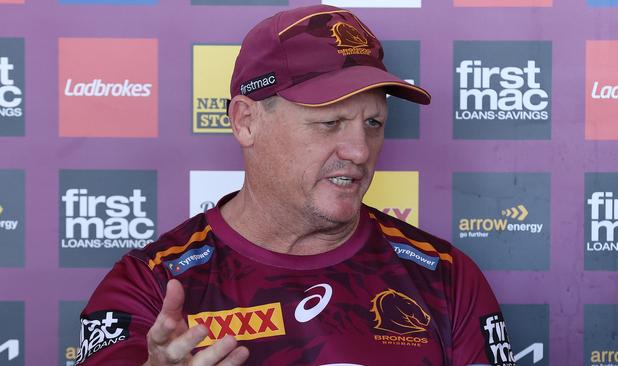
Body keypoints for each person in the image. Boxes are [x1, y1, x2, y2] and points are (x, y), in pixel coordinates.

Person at [75, 4, 515, 366]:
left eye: (374, 122)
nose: (360, 151)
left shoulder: (444, 277)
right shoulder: (149, 285)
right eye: (330, 123)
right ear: (246, 122)